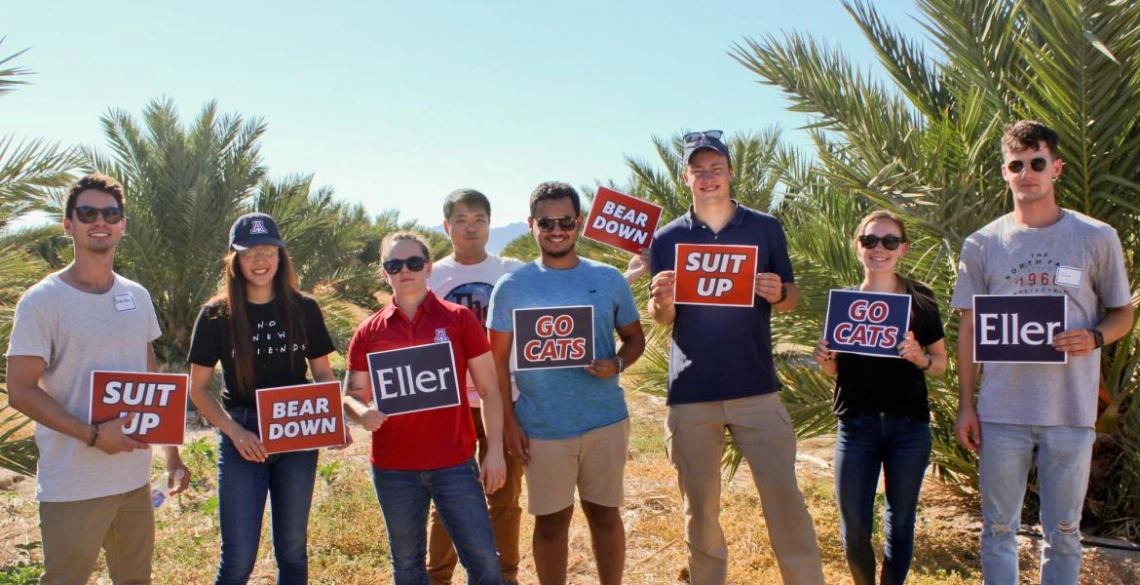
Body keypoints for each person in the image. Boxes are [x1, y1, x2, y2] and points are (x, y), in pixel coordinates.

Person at [951, 120, 1133, 584]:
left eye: (1036, 163)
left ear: (1056, 168)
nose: (1027, 172)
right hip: (1000, 412)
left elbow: (1122, 315)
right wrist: (966, 405)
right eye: (1017, 165)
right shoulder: (982, 244)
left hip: (1070, 413)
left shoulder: (1096, 236)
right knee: (998, 530)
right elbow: (970, 330)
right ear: (1005, 173)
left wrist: (1094, 337)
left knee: (1065, 533)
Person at [648, 130, 825, 585]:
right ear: (686, 176)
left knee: (784, 500)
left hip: (756, 390)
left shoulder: (764, 227)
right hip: (692, 394)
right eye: (698, 170)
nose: (708, 177)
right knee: (700, 510)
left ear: (729, 172)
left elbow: (790, 296)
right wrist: (660, 301)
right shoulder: (667, 238)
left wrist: (779, 291)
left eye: (716, 168)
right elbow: (662, 317)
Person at [6, 172, 190, 585]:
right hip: (72, 485)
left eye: (110, 213)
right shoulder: (42, 301)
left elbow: (151, 380)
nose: (100, 221)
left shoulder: (136, 296)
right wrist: (92, 435)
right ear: (68, 224)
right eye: (87, 212)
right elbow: (20, 390)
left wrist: (171, 455)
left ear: (122, 225)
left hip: (133, 480)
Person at [488, 181, 646, 585]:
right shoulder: (511, 287)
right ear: (531, 225)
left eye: (565, 221)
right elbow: (497, 362)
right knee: (552, 525)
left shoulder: (608, 279)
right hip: (542, 426)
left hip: (604, 421)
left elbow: (634, 338)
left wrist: (618, 364)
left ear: (580, 222)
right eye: (546, 222)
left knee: (605, 517)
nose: (556, 230)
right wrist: (508, 423)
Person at [344, 231, 507, 585]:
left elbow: (489, 390)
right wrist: (362, 413)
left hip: (455, 463)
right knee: (407, 566)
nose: (405, 270)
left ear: (429, 267)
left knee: (484, 563)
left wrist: (494, 450)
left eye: (414, 262)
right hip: (393, 469)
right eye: (394, 264)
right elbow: (350, 396)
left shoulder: (460, 319)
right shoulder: (368, 332)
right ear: (384, 272)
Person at [187, 212, 339, 585]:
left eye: (269, 250)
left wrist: (330, 420)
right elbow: (198, 389)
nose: (261, 260)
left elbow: (321, 373)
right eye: (250, 252)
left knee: (292, 551)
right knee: (238, 559)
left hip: (298, 431)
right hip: (243, 436)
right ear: (235, 260)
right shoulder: (215, 315)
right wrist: (235, 433)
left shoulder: (304, 308)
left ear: (281, 256)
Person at [812, 211, 947, 585]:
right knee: (854, 526)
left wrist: (920, 358)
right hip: (856, 425)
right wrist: (826, 361)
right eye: (870, 241)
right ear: (858, 247)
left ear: (902, 249)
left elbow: (941, 364)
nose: (879, 249)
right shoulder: (844, 303)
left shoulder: (922, 299)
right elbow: (837, 370)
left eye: (889, 241)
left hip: (909, 426)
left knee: (900, 522)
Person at [426, 188, 526, 585]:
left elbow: (565, 285)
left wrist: (631, 273)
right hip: (449, 405)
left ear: (490, 224)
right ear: (447, 227)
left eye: (480, 220)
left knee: (505, 497)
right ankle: (438, 576)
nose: (472, 229)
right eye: (462, 221)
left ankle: (506, 575)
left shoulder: (512, 270)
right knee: (446, 499)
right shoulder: (431, 275)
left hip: (504, 399)